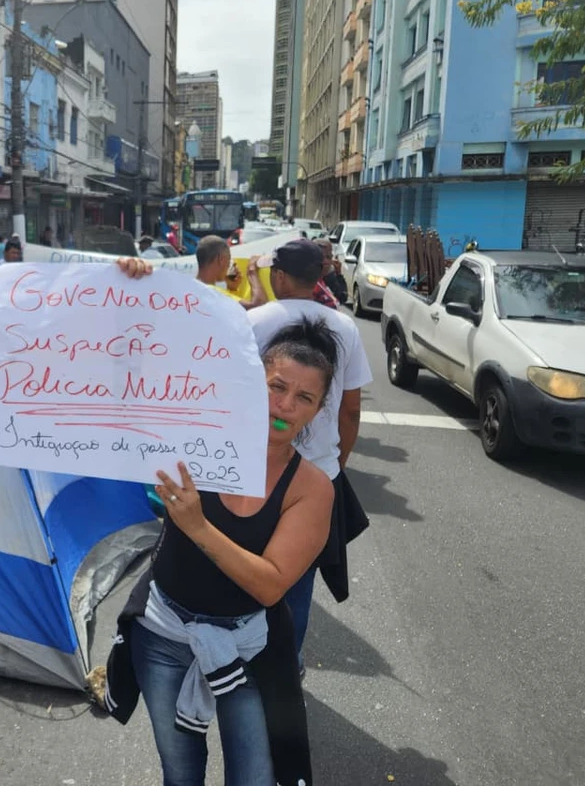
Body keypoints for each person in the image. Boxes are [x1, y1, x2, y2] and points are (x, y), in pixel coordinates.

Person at [102, 267, 335, 785]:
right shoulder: (196, 436)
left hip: (247, 646)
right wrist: (132, 289)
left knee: (253, 777)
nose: (285, 406)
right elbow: (125, 376)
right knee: (179, 771)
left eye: (304, 398)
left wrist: (199, 526)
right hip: (162, 633)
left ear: (318, 411)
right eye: (277, 386)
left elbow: (272, 582)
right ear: (255, 381)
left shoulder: (312, 488)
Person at [248, 240, 371, 670]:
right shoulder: (346, 327)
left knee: (245, 570)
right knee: (296, 584)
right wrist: (335, 466)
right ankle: (287, 665)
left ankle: (235, 664)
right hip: (317, 475)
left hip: (253, 471)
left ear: (279, 276)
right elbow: (351, 410)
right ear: (319, 278)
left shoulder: (252, 321)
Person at [316, 238, 348, 305]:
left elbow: (342, 297)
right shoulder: (306, 281)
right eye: (322, 257)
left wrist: (339, 274)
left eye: (329, 257)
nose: (326, 261)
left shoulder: (330, 276)